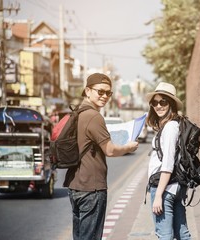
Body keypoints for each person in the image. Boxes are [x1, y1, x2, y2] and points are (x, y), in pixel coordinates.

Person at [63, 73, 139, 240]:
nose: (105, 96)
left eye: (108, 93)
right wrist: (128, 147)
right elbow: (110, 150)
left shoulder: (77, 113)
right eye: (100, 92)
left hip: (75, 186)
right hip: (92, 188)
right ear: (87, 91)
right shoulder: (94, 116)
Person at [146, 82, 192, 239]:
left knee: (164, 235)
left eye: (163, 102)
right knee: (182, 234)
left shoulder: (170, 127)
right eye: (155, 102)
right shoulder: (169, 126)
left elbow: (168, 164)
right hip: (174, 187)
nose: (158, 106)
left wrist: (158, 194)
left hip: (165, 188)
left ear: (171, 104)